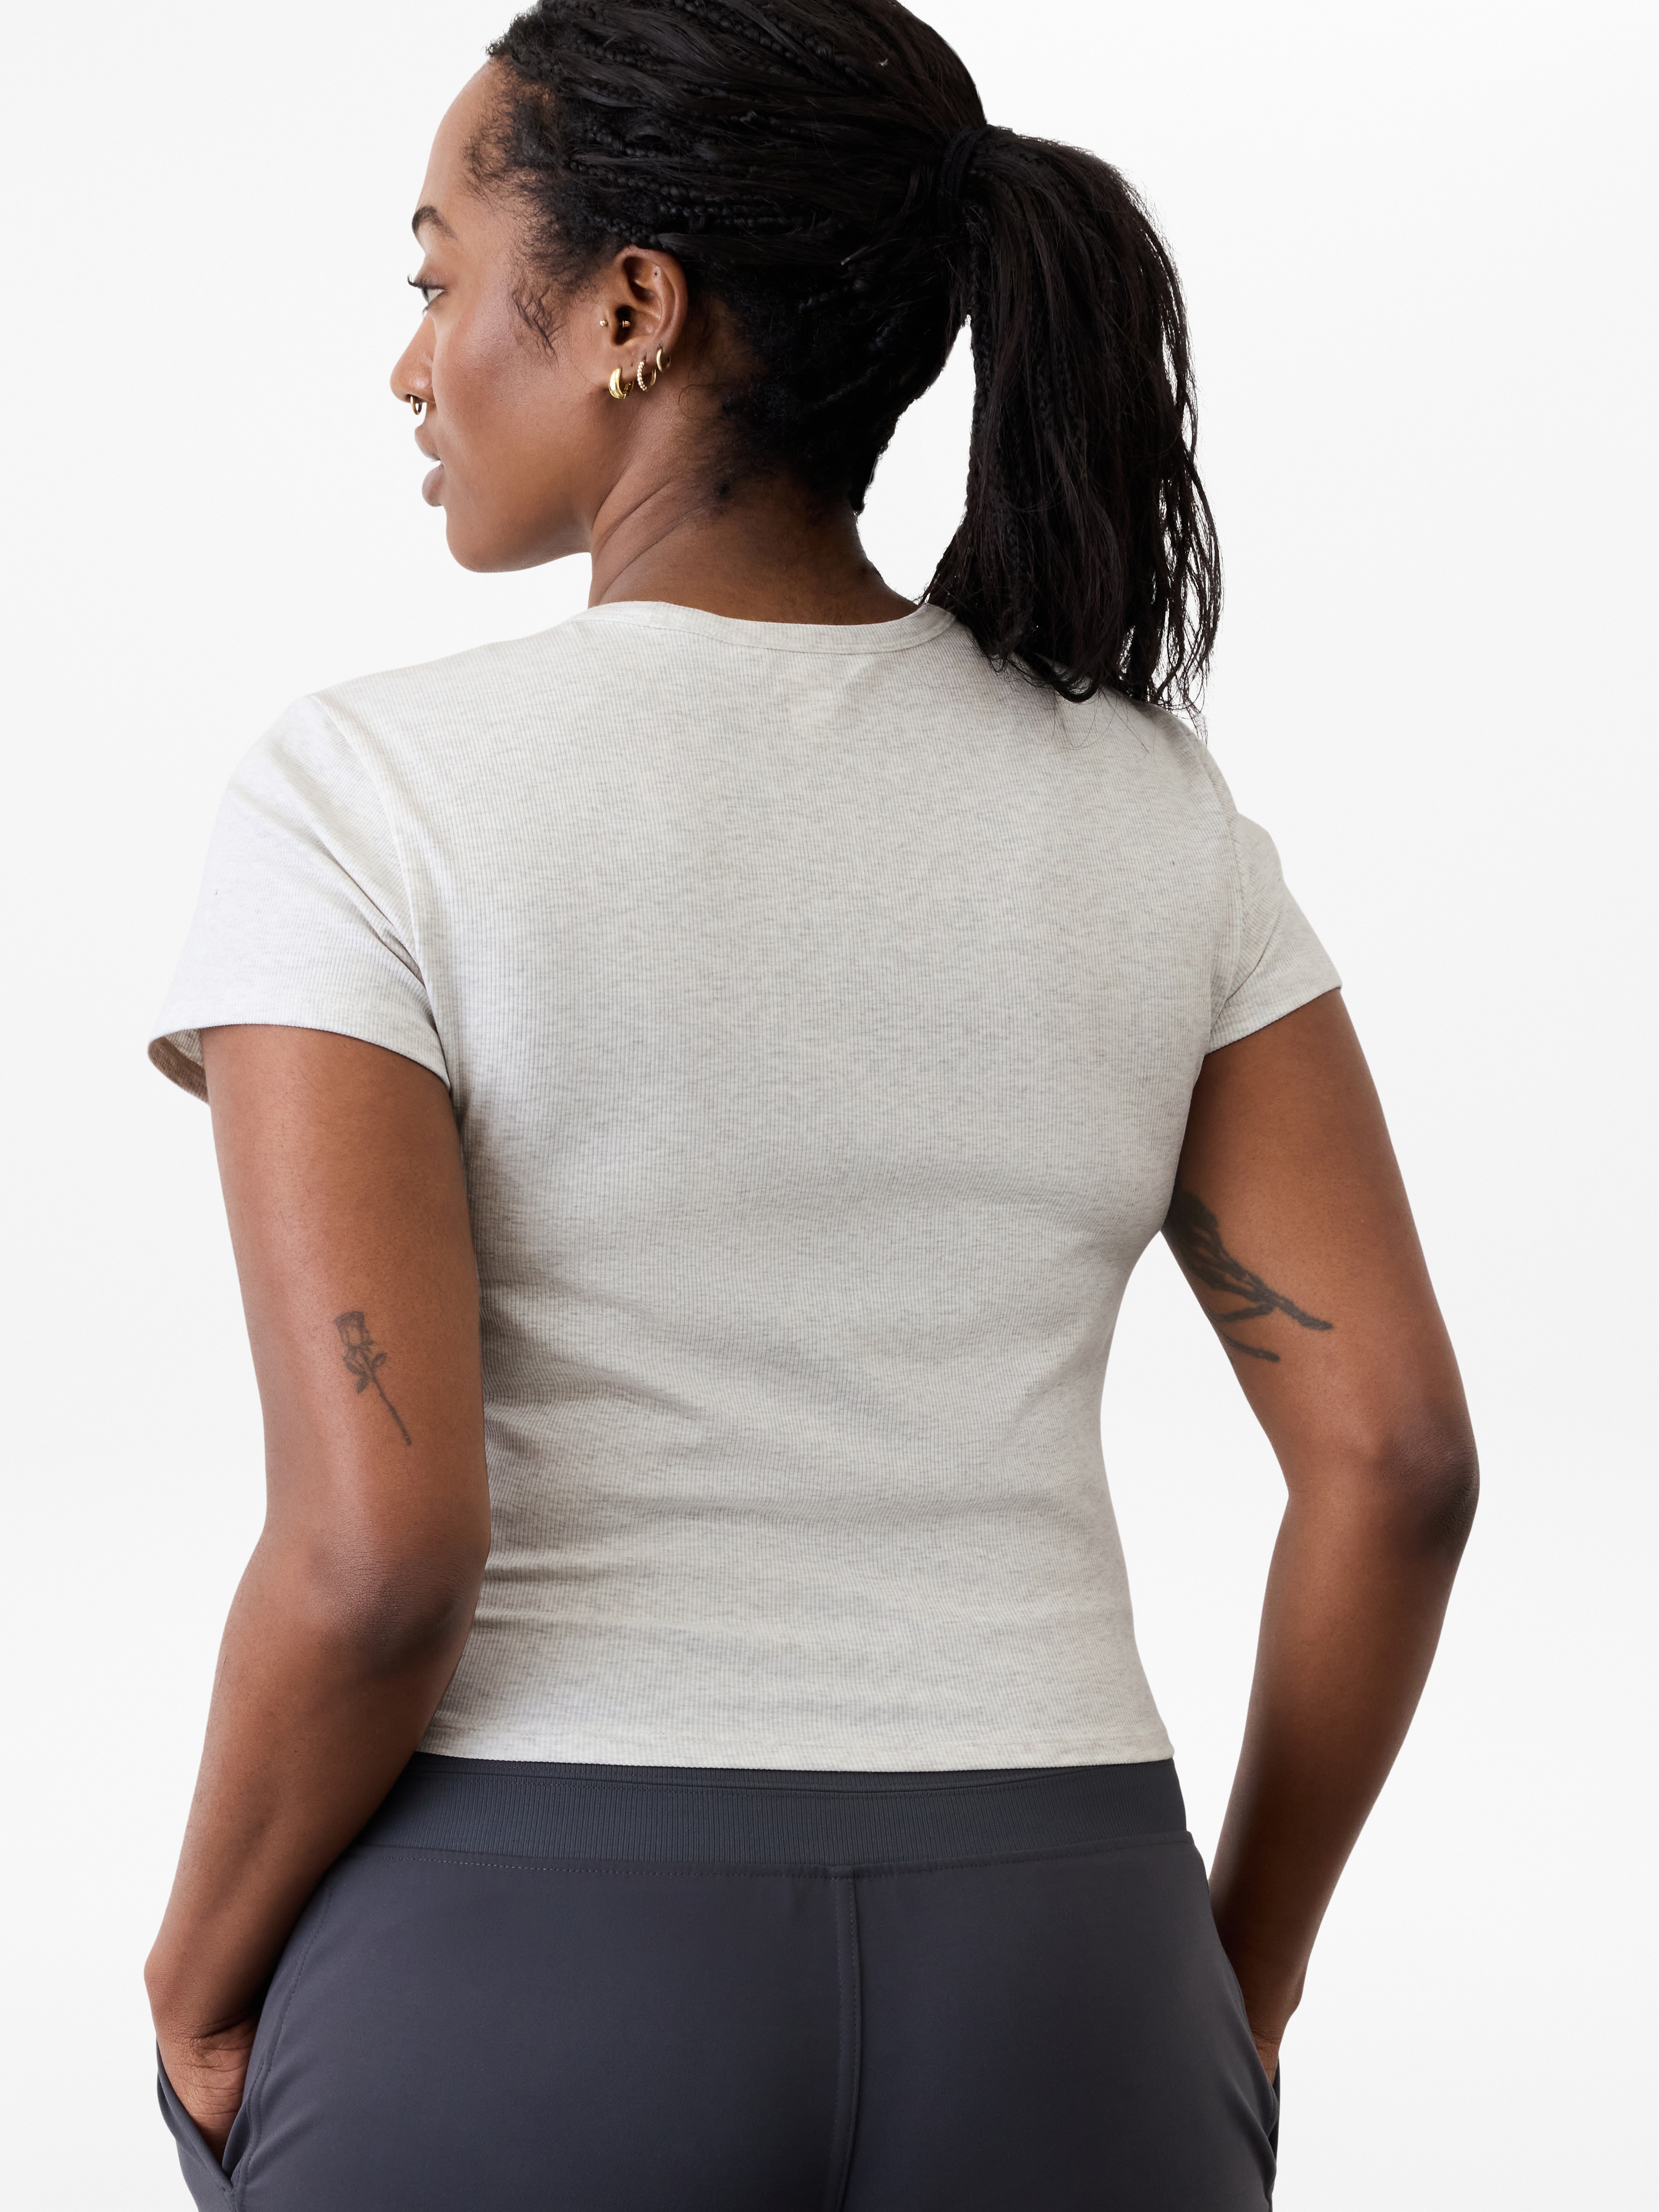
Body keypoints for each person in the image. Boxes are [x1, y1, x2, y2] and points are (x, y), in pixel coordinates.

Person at [142, 3, 1478, 2206]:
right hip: (1069, 1961)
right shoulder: (1153, 818)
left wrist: (196, 1974)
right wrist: (1230, 1981)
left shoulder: (364, 798)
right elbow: (1399, 1461)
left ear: (631, 312)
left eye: (439, 279)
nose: (408, 364)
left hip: (519, 1967)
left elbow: (379, 1556)